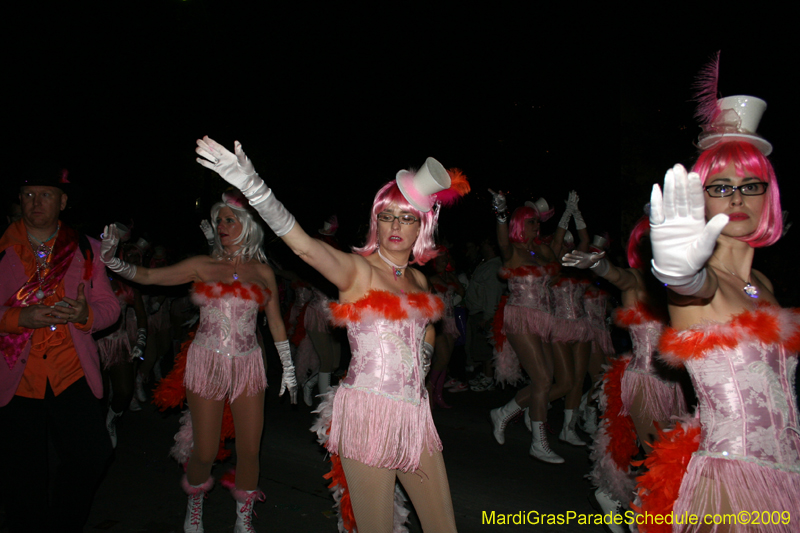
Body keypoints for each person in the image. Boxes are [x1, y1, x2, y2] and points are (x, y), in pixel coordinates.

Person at [195, 135, 467, 532]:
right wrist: (254, 186)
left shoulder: (419, 281)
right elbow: (303, 246)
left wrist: (421, 363)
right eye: (387, 215)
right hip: (368, 415)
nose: (396, 225)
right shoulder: (357, 272)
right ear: (376, 220)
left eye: (407, 217)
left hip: (414, 417)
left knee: (444, 526)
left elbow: (426, 328)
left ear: (422, 226)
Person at [635, 92, 798, 532]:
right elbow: (690, 290)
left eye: (750, 185)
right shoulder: (702, 280)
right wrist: (677, 273)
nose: (737, 198)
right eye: (720, 187)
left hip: (790, 480)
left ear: (769, 194)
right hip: (732, 483)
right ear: (699, 197)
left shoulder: (761, 286)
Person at [100, 189, 296, 533]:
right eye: (219, 220)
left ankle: (242, 518)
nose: (222, 225)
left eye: (229, 219)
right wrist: (113, 261)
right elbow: (148, 278)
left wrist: (289, 369)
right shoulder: (202, 265)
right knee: (205, 451)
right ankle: (195, 506)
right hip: (207, 363)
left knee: (250, 449)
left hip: (248, 365)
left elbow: (276, 322)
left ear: (247, 225)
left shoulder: (263, 272)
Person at [0, 169, 119, 533]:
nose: (36, 202)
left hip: (72, 373)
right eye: (29, 195)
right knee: (23, 475)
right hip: (17, 377)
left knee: (91, 455)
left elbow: (110, 307)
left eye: (46, 194)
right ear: (19, 200)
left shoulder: (88, 249)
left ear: (63, 201)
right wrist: (19, 317)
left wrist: (87, 315)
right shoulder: (1, 250)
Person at [487, 191, 564, 463]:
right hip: (520, 316)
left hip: (544, 318)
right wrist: (500, 213)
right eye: (531, 222)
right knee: (543, 379)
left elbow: (558, 273)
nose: (536, 226)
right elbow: (501, 240)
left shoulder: (542, 250)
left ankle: (504, 412)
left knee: (546, 379)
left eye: (537, 222)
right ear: (520, 224)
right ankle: (538, 443)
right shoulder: (513, 250)